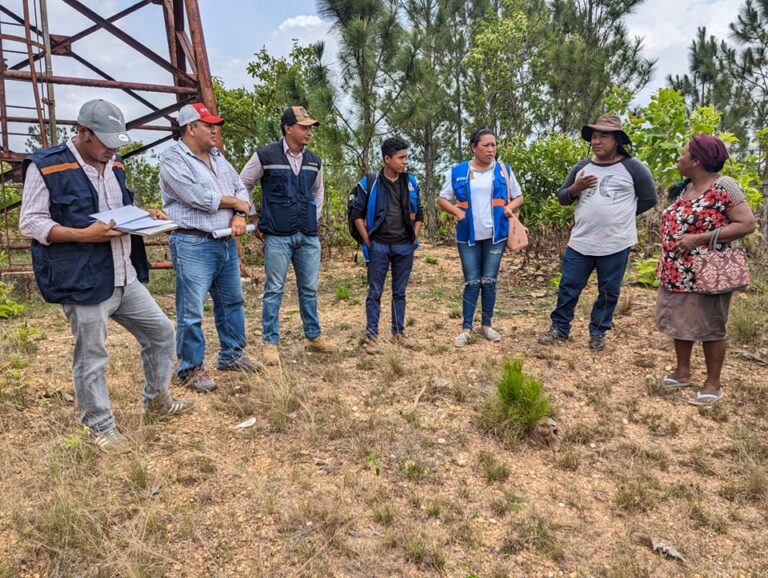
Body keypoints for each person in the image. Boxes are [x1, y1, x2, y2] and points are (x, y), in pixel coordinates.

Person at [19, 99, 194, 453]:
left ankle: (157, 400)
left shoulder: (115, 165)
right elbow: (31, 222)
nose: (112, 148)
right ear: (82, 132)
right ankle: (100, 428)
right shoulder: (47, 166)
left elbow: (116, 212)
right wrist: (83, 234)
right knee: (92, 356)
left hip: (122, 273)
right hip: (81, 279)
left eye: (116, 141)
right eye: (104, 141)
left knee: (161, 334)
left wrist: (146, 215)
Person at [159, 102, 261, 393]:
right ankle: (190, 368)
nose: (215, 131)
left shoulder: (218, 157)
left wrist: (240, 213)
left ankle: (232, 354)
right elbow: (198, 197)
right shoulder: (173, 159)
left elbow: (242, 189)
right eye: (209, 125)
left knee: (231, 302)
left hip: (224, 241)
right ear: (191, 128)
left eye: (215, 125)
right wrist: (233, 203)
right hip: (192, 241)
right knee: (191, 310)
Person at [538, 114, 657, 351]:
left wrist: (621, 216)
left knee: (608, 291)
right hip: (581, 241)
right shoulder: (582, 167)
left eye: (603, 136)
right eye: (594, 136)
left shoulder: (633, 168)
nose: (597, 141)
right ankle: (560, 328)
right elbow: (562, 197)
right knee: (568, 286)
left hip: (616, 242)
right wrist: (576, 188)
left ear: (617, 140)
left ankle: (598, 332)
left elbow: (649, 199)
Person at [656, 135, 755, 405]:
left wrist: (699, 238)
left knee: (712, 325)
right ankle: (682, 372)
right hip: (677, 270)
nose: (679, 157)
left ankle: (713, 383)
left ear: (697, 160)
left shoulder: (725, 186)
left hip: (708, 271)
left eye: (683, 153)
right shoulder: (684, 187)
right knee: (679, 321)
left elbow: (746, 224)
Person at [240, 106, 336, 365]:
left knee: (309, 289)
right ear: (287, 128)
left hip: (307, 236)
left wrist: (312, 218)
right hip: (277, 236)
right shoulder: (265, 155)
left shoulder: (315, 160)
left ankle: (313, 337)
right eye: (304, 127)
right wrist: (252, 216)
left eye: (310, 128)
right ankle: (270, 342)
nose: (309, 132)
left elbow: (318, 191)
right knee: (274, 289)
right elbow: (242, 184)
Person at [437, 128, 523, 348]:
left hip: (496, 236)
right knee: (472, 281)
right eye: (486, 145)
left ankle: (487, 325)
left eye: (493, 145)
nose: (491, 150)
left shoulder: (503, 170)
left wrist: (509, 208)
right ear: (474, 147)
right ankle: (466, 328)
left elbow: (518, 196)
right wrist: (457, 212)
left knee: (489, 281)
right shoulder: (458, 171)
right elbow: (443, 198)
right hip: (468, 236)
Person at [349, 137, 423, 353]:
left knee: (399, 292)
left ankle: (398, 333)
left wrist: (413, 238)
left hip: (403, 246)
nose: (405, 162)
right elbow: (356, 213)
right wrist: (368, 240)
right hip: (378, 246)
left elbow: (419, 213)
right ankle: (372, 337)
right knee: (375, 292)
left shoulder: (411, 183)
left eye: (406, 157)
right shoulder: (370, 183)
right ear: (387, 159)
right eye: (401, 158)